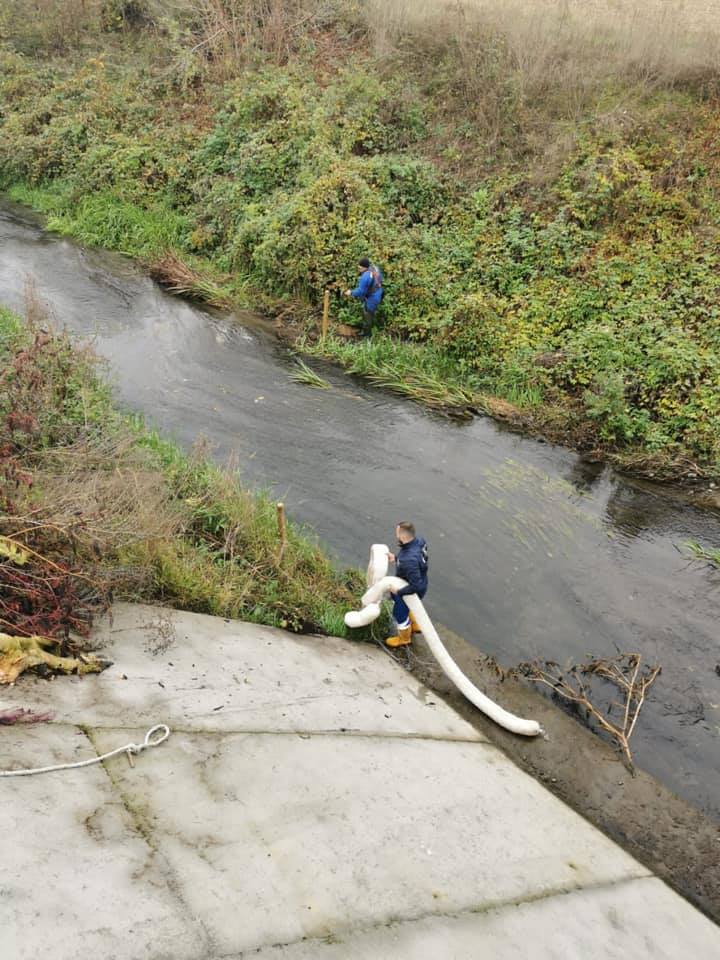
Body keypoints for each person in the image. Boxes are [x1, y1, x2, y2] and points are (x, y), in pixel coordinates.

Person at [385, 521, 429, 648]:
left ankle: (404, 639)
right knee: (411, 605)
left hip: (409, 589)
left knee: (399, 613)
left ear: (403, 536)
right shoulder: (420, 541)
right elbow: (415, 559)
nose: (396, 535)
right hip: (423, 582)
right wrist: (396, 558)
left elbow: (414, 586)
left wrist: (398, 592)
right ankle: (416, 625)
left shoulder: (408, 560)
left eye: (397, 533)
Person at [345, 256, 383, 336]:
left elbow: (360, 291)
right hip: (378, 292)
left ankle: (367, 335)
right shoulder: (374, 268)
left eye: (359, 268)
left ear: (364, 267)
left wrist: (351, 292)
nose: (358, 269)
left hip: (373, 298)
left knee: (367, 313)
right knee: (369, 312)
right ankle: (366, 330)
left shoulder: (365, 277)